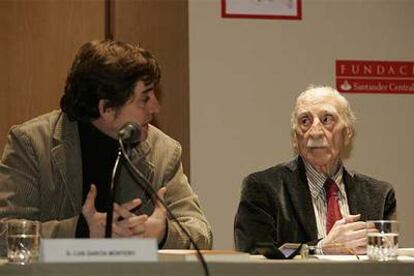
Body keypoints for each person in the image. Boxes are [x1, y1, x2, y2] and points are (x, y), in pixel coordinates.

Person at [0, 40, 212, 249]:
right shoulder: (31, 144)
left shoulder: (164, 151)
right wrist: (80, 231)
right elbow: (4, 233)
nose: (156, 107)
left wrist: (162, 232)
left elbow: (201, 233)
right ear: (106, 108)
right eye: (145, 99)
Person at [234, 86, 396, 254]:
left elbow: (386, 261)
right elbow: (255, 255)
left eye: (327, 120)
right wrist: (320, 248)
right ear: (295, 139)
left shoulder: (379, 195)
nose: (315, 132)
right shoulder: (263, 188)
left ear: (347, 133)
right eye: (305, 121)